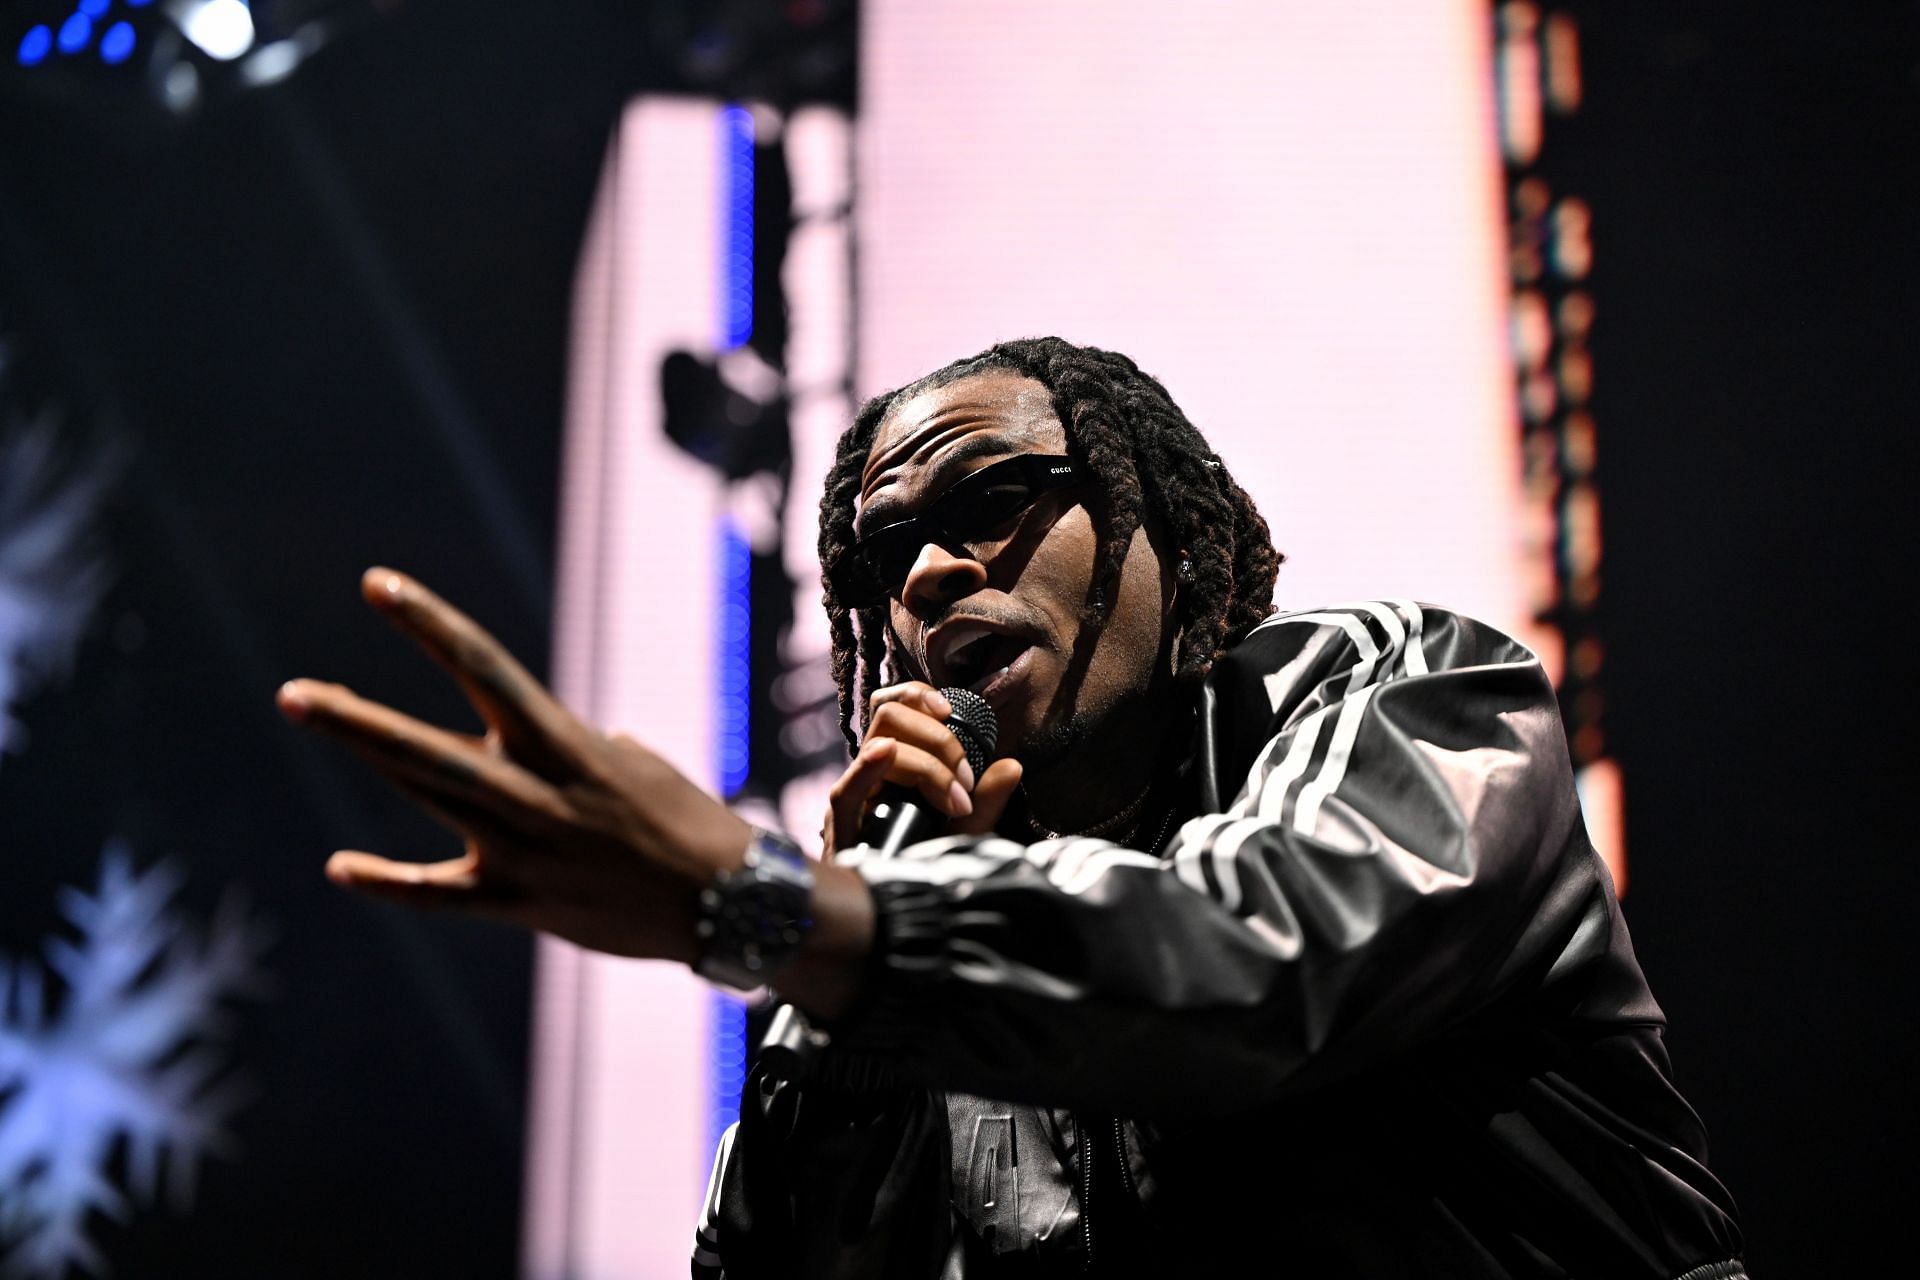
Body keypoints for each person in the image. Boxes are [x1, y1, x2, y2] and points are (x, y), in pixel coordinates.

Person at [279, 337, 1746, 1278]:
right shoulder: (923, 948)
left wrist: (789, 910)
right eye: (883, 561)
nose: (921, 581)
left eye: (988, 498)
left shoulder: (1394, 686)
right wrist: (835, 1040)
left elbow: (1259, 965)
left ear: (1158, 520)